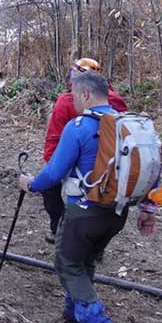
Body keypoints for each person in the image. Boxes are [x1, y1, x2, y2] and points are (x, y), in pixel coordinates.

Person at [18, 72, 157, 323]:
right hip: (117, 213)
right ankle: (74, 313)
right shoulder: (128, 125)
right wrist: (147, 209)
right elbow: (149, 168)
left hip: (82, 213)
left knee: (67, 264)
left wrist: (30, 183)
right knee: (85, 261)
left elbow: (54, 172)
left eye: (74, 97)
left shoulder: (79, 126)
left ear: (85, 94)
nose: (73, 103)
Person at [41, 58, 128, 244]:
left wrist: (51, 166)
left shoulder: (66, 102)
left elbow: (54, 137)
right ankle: (95, 243)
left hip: (79, 165)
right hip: (114, 168)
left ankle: (59, 228)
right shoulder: (117, 102)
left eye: (74, 74)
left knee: (49, 187)